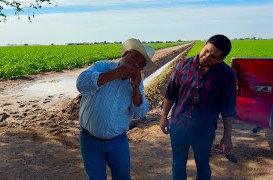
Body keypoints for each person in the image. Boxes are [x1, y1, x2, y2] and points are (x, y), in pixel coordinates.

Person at [159, 34, 236, 180]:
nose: (206, 56)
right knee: (178, 164)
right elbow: (170, 93)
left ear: (221, 59)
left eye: (213, 56)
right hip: (179, 126)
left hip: (204, 130)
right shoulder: (183, 65)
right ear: (203, 46)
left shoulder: (227, 75)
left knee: (203, 165)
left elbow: (228, 108)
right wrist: (163, 117)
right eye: (206, 51)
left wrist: (227, 137)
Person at [76, 38, 155, 180]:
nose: (136, 64)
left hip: (118, 141)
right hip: (89, 139)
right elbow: (81, 83)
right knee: (95, 177)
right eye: (135, 58)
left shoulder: (137, 82)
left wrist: (136, 88)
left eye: (140, 64)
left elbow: (140, 112)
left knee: (122, 176)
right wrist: (117, 73)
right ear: (125, 54)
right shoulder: (103, 66)